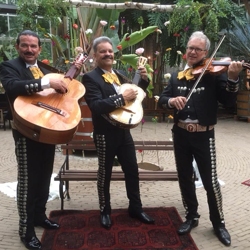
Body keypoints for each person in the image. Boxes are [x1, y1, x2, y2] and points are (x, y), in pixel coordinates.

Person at [158, 31, 243, 247]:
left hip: (205, 135)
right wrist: (170, 101)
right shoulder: (178, 76)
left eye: (197, 49)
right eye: (190, 48)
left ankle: (218, 223)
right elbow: (163, 99)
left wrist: (233, 78)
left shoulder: (214, 75)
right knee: (185, 177)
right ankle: (191, 216)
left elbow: (229, 101)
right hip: (180, 135)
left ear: (206, 53)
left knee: (210, 182)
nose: (192, 52)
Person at [0, 30, 83, 250]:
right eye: (25, 45)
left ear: (39, 49)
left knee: (45, 176)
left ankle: (39, 216)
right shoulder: (10, 67)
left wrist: (68, 77)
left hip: (48, 129)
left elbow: (59, 90)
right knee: (28, 182)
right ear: (18, 46)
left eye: (33, 46)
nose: (29, 49)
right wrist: (46, 84)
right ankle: (25, 230)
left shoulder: (44, 69)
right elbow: (12, 86)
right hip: (26, 131)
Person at [81, 36, 155, 229]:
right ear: (95, 55)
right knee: (104, 173)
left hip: (124, 132)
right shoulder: (90, 78)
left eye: (110, 51)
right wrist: (121, 98)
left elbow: (135, 93)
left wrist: (143, 80)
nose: (108, 54)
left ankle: (136, 208)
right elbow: (96, 106)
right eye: (103, 51)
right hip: (104, 134)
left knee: (132, 170)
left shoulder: (120, 74)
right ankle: (105, 210)